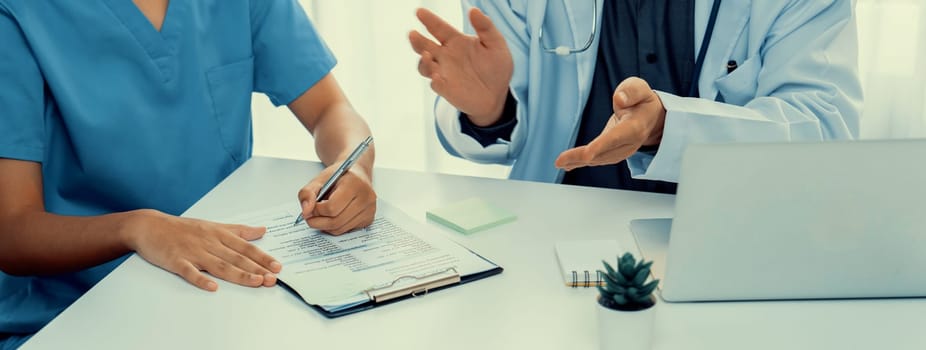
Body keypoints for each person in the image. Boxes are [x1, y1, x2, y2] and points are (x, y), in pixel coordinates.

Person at [0, 1, 376, 348]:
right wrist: (136, 228)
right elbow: (13, 233)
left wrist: (354, 167)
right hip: (72, 317)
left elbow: (330, 109)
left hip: (223, 297)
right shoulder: (19, 14)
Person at [409, 0, 862, 193]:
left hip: (731, 227)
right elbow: (505, 128)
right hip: (557, 224)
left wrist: (669, 126)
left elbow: (823, 128)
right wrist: (492, 111)